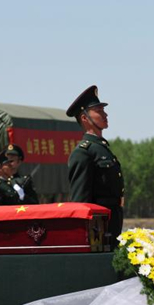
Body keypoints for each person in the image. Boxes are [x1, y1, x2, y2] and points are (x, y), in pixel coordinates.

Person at [66, 85, 124, 246]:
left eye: (103, 110)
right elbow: (80, 201)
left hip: (112, 220)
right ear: (85, 118)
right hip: (98, 228)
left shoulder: (101, 148)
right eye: (98, 111)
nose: (105, 114)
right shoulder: (84, 152)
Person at [0, 144, 38, 212]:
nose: (9, 165)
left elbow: (34, 205)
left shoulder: (25, 181)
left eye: (11, 161)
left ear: (19, 162)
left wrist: (23, 197)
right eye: (7, 162)